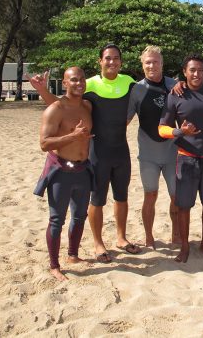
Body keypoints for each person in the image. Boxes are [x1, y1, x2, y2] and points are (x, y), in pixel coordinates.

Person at [30, 44, 140, 263]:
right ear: (100, 61)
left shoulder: (128, 82)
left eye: (116, 58)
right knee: (97, 199)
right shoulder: (87, 83)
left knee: (122, 196)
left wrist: (176, 85)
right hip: (97, 151)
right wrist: (43, 91)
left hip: (121, 149)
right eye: (107, 58)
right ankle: (98, 243)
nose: (112, 62)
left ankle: (121, 238)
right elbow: (63, 105)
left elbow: (151, 86)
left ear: (121, 61)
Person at [158, 54, 203, 263]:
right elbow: (162, 128)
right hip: (185, 158)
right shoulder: (175, 95)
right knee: (184, 206)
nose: (196, 74)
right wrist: (179, 132)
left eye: (200, 70)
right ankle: (184, 247)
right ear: (184, 72)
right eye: (192, 70)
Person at [34, 67, 94, 281]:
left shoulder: (87, 106)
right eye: (74, 80)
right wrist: (73, 136)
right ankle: (54, 265)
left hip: (83, 169)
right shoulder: (55, 109)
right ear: (65, 83)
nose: (79, 84)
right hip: (61, 170)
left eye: (82, 80)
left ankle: (73, 255)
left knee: (79, 216)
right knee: (57, 219)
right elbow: (44, 143)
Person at [127, 45, 179, 248]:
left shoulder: (175, 86)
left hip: (172, 151)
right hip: (148, 153)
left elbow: (186, 113)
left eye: (155, 61)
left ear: (162, 63)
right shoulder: (137, 89)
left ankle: (175, 235)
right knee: (151, 195)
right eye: (148, 62)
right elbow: (126, 118)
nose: (152, 65)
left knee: (176, 196)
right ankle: (149, 237)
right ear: (142, 64)